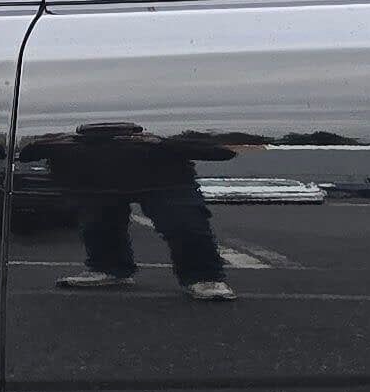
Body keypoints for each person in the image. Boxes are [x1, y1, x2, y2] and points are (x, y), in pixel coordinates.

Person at [46, 121, 236, 299]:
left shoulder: (156, 143)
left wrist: (161, 143)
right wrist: (58, 141)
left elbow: (222, 152)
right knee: (97, 224)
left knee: (183, 224)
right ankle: (108, 268)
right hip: (102, 185)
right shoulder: (70, 145)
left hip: (166, 183)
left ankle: (204, 277)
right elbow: (28, 152)